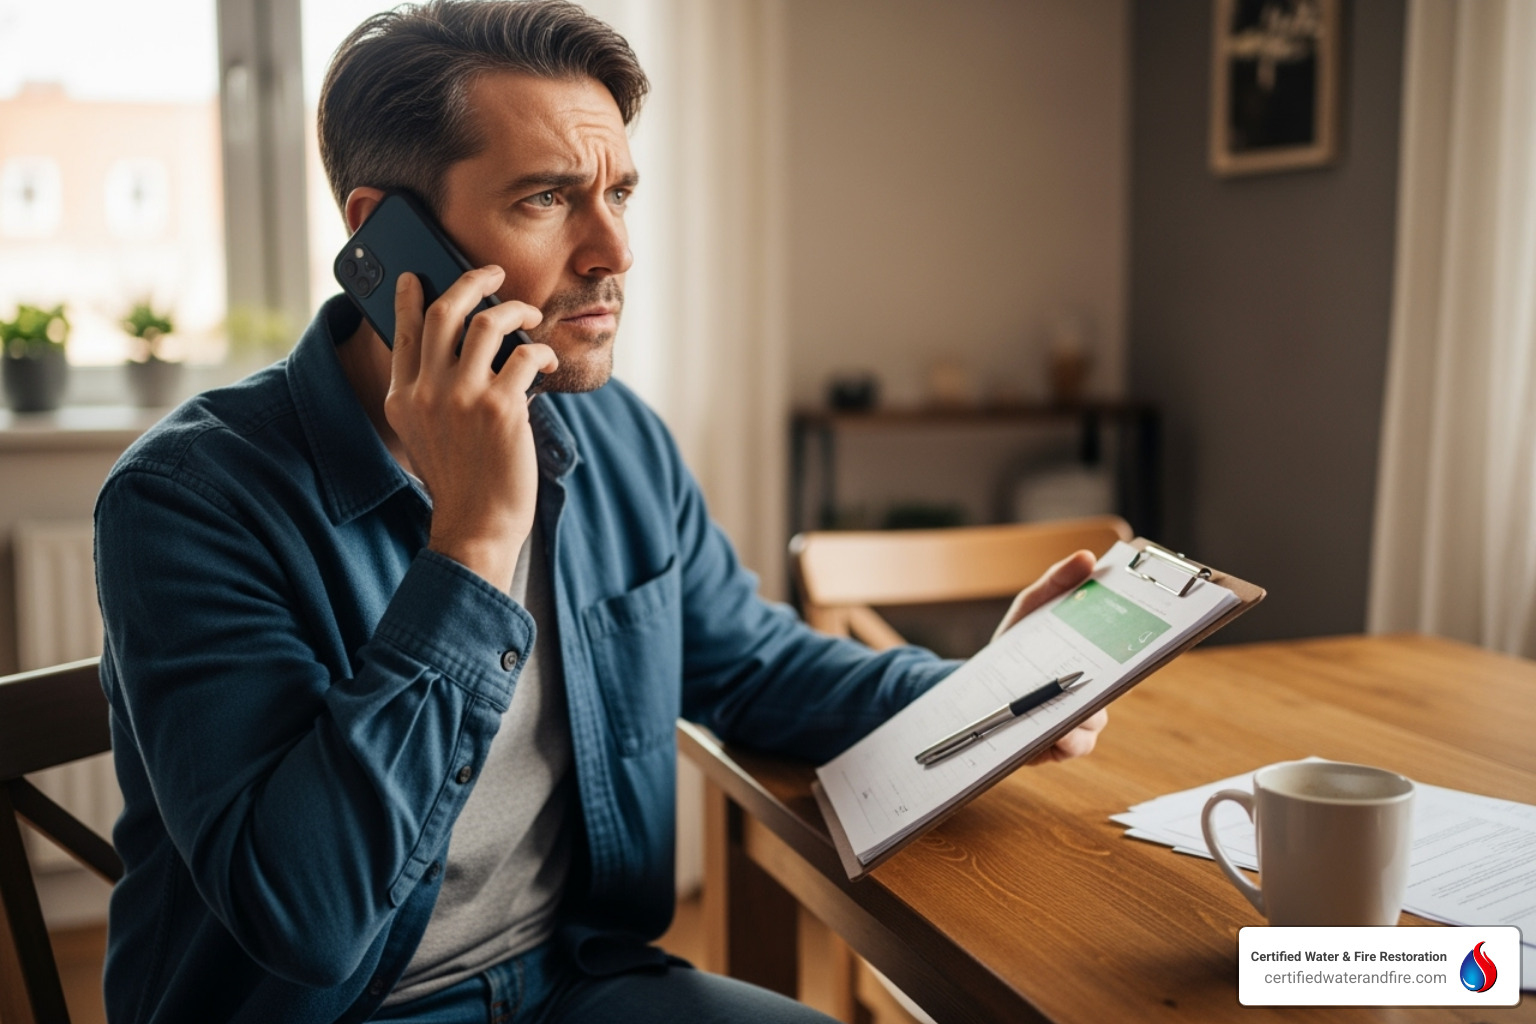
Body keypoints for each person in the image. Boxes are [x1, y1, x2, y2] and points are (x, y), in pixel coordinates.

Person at [92, 2, 1107, 1021]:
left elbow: (754, 667)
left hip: (572, 980)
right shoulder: (189, 502)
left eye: (619, 191)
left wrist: (987, 695)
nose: (614, 249)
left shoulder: (612, 435)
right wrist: (473, 547)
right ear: (386, 239)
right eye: (547, 198)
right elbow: (306, 915)